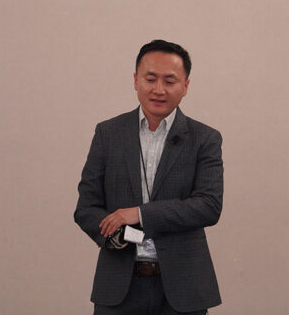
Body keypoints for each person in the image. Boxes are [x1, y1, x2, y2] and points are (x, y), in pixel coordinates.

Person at [75, 39, 223, 315]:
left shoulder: (205, 138)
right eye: (150, 79)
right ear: (135, 80)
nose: (159, 89)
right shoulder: (108, 133)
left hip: (184, 288)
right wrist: (116, 234)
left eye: (169, 81)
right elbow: (86, 208)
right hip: (118, 287)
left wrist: (139, 214)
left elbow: (208, 206)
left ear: (185, 86)